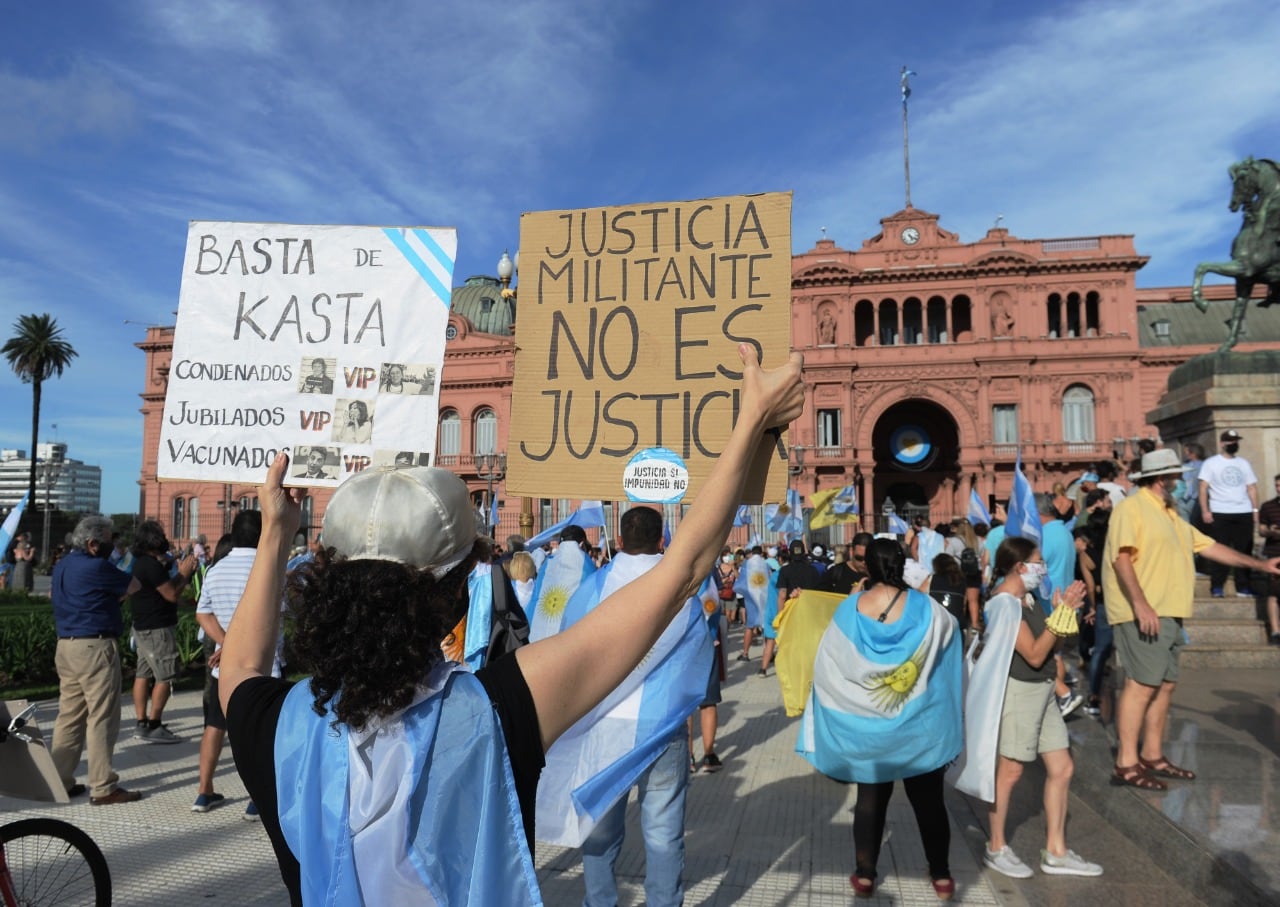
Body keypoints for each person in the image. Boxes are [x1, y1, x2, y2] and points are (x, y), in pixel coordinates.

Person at [217, 345, 804, 904]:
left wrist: (274, 531)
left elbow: (240, 666)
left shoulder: (276, 727)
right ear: (456, 594)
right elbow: (682, 572)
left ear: (327, 590)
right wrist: (750, 419)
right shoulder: (503, 708)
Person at [1104, 449, 1280, 790]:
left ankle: (1152, 754)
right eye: (1175, 474)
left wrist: (1261, 565)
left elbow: (1211, 547)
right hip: (1144, 611)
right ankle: (1126, 762)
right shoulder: (1131, 508)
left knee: (1164, 684)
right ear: (1160, 478)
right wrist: (1140, 605)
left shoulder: (1170, 513)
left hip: (1170, 611)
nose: (1181, 480)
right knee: (1140, 685)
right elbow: (1121, 559)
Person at [797, 537, 962, 900]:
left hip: (868, 729)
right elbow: (952, 638)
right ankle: (942, 876)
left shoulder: (851, 608)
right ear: (902, 565)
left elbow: (830, 663)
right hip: (918, 725)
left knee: (870, 799)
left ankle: (866, 874)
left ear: (867, 567)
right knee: (929, 802)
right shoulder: (928, 608)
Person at [580, 506, 695, 907]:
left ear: (621, 538)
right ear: (662, 539)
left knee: (597, 828)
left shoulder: (594, 586)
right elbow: (696, 658)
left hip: (604, 723)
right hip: (662, 723)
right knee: (663, 832)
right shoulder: (681, 589)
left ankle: (599, 902)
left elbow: (570, 652)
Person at [981, 536, 1101, 878]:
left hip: (1045, 689)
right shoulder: (1004, 604)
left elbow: (1052, 646)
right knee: (1011, 772)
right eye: (1038, 562)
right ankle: (996, 846)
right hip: (1020, 692)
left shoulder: (1028, 599)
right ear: (1020, 566)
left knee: (1062, 767)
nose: (1043, 569)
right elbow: (1033, 654)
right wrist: (1060, 614)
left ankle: (1056, 850)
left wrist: (1065, 613)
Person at [50, 516, 143, 804]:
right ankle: (103, 785)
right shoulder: (98, 566)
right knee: (102, 716)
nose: (111, 545)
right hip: (95, 645)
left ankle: (60, 781)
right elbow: (134, 585)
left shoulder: (62, 564)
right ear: (93, 544)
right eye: (107, 540)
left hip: (66, 645)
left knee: (69, 716)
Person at [193, 511, 273, 817]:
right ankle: (257, 799)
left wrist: (226, 643)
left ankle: (203, 791)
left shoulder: (216, 569)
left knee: (215, 726)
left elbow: (203, 614)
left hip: (223, 667)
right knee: (259, 735)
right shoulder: (267, 569)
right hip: (263, 667)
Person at [129, 521, 198, 744]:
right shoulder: (151, 566)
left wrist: (169, 565)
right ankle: (154, 724)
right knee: (165, 676)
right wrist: (185, 573)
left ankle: (141, 722)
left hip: (143, 625)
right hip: (157, 628)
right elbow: (171, 594)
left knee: (143, 673)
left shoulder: (143, 563)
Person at [1198, 429, 1261, 598]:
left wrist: (1255, 509)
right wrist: (1205, 510)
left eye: (1236, 441)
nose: (1234, 444)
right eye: (1230, 441)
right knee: (1220, 550)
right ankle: (1217, 586)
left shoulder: (1243, 463)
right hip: (1220, 511)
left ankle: (1243, 586)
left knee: (1244, 550)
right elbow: (1203, 488)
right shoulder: (1211, 463)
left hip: (1244, 511)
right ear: (1222, 443)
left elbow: (1251, 488)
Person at [760, 539, 821, 677]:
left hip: (791, 612)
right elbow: (818, 593)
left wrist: (780, 616)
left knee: (791, 644)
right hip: (808, 612)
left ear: (790, 553)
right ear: (804, 553)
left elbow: (782, 594)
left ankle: (793, 670)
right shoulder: (813, 570)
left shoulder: (785, 571)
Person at [1259, 475, 1280, 644]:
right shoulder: (1268, 506)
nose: (1279, 488)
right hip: (1274, 553)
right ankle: (1275, 631)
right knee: (1273, 593)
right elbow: (1261, 530)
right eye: (1277, 485)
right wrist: (1270, 532)